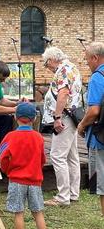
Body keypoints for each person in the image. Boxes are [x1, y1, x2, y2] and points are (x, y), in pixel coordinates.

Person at [42, 47, 82, 206]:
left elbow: (63, 94)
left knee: (57, 156)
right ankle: (73, 193)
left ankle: (63, 197)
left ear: (52, 59)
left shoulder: (63, 70)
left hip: (64, 117)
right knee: (72, 157)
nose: (47, 67)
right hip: (72, 116)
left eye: (46, 64)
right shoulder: (72, 67)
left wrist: (57, 117)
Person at [0, 102, 46, 229]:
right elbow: (42, 159)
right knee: (38, 213)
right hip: (35, 180)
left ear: (15, 117)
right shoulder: (39, 137)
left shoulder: (9, 137)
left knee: (19, 213)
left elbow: (3, 158)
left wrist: (7, 170)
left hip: (16, 180)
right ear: (35, 118)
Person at [78, 42, 104, 216]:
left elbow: (94, 110)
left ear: (95, 58)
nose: (86, 63)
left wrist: (81, 124)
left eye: (87, 60)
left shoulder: (97, 77)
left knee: (102, 185)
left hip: (99, 137)